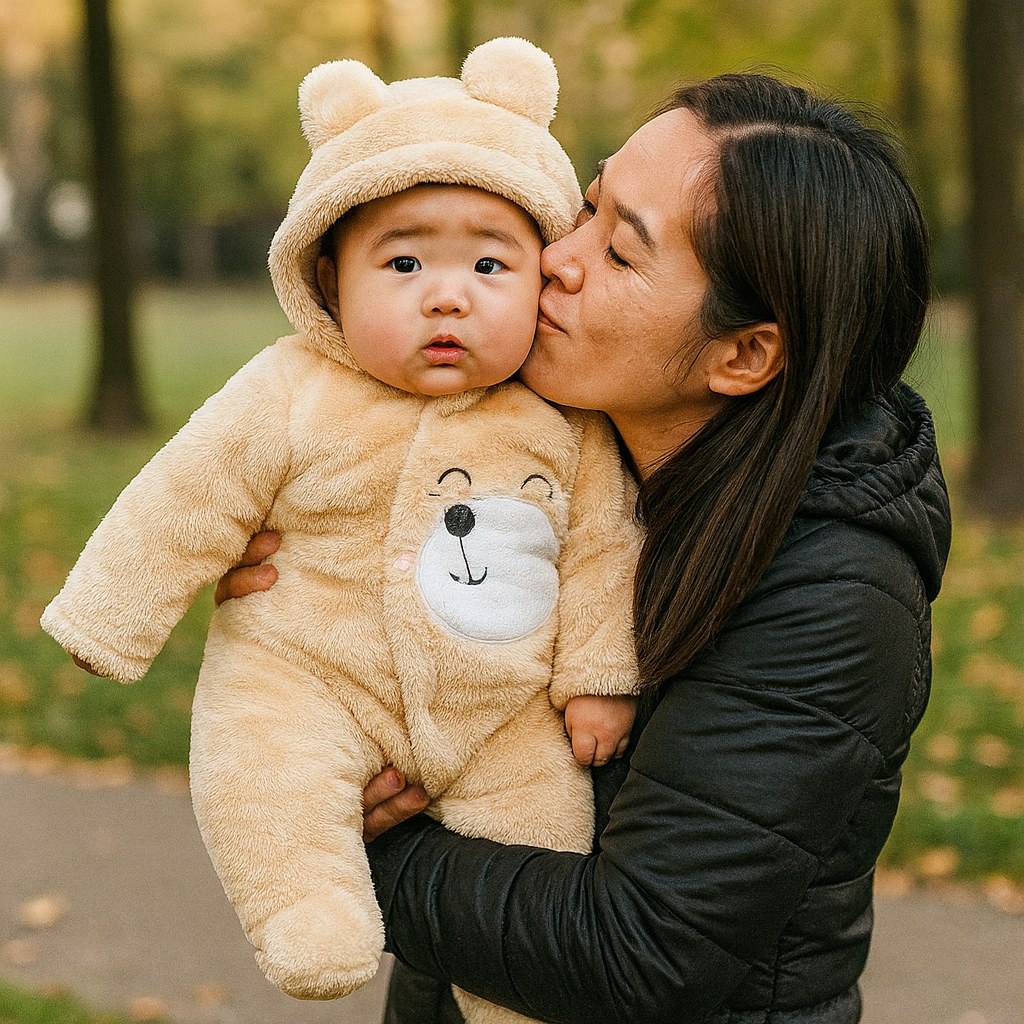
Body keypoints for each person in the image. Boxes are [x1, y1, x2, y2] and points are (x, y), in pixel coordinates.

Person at [220, 70, 952, 1023]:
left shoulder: (833, 589)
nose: (554, 257)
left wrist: (327, 838)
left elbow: (639, 951)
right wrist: (301, 606)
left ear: (743, 356)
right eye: (590, 205)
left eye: (621, 251)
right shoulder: (543, 436)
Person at [40, 38, 641, 1019]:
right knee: (259, 761)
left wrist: (597, 679)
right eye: (402, 261)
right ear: (327, 281)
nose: (447, 293)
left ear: (541, 274)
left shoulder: (565, 421)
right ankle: (305, 904)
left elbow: (601, 550)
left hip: (503, 712)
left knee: (539, 842)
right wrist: (113, 616)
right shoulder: (288, 390)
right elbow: (185, 497)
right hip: (310, 671)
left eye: (491, 263)